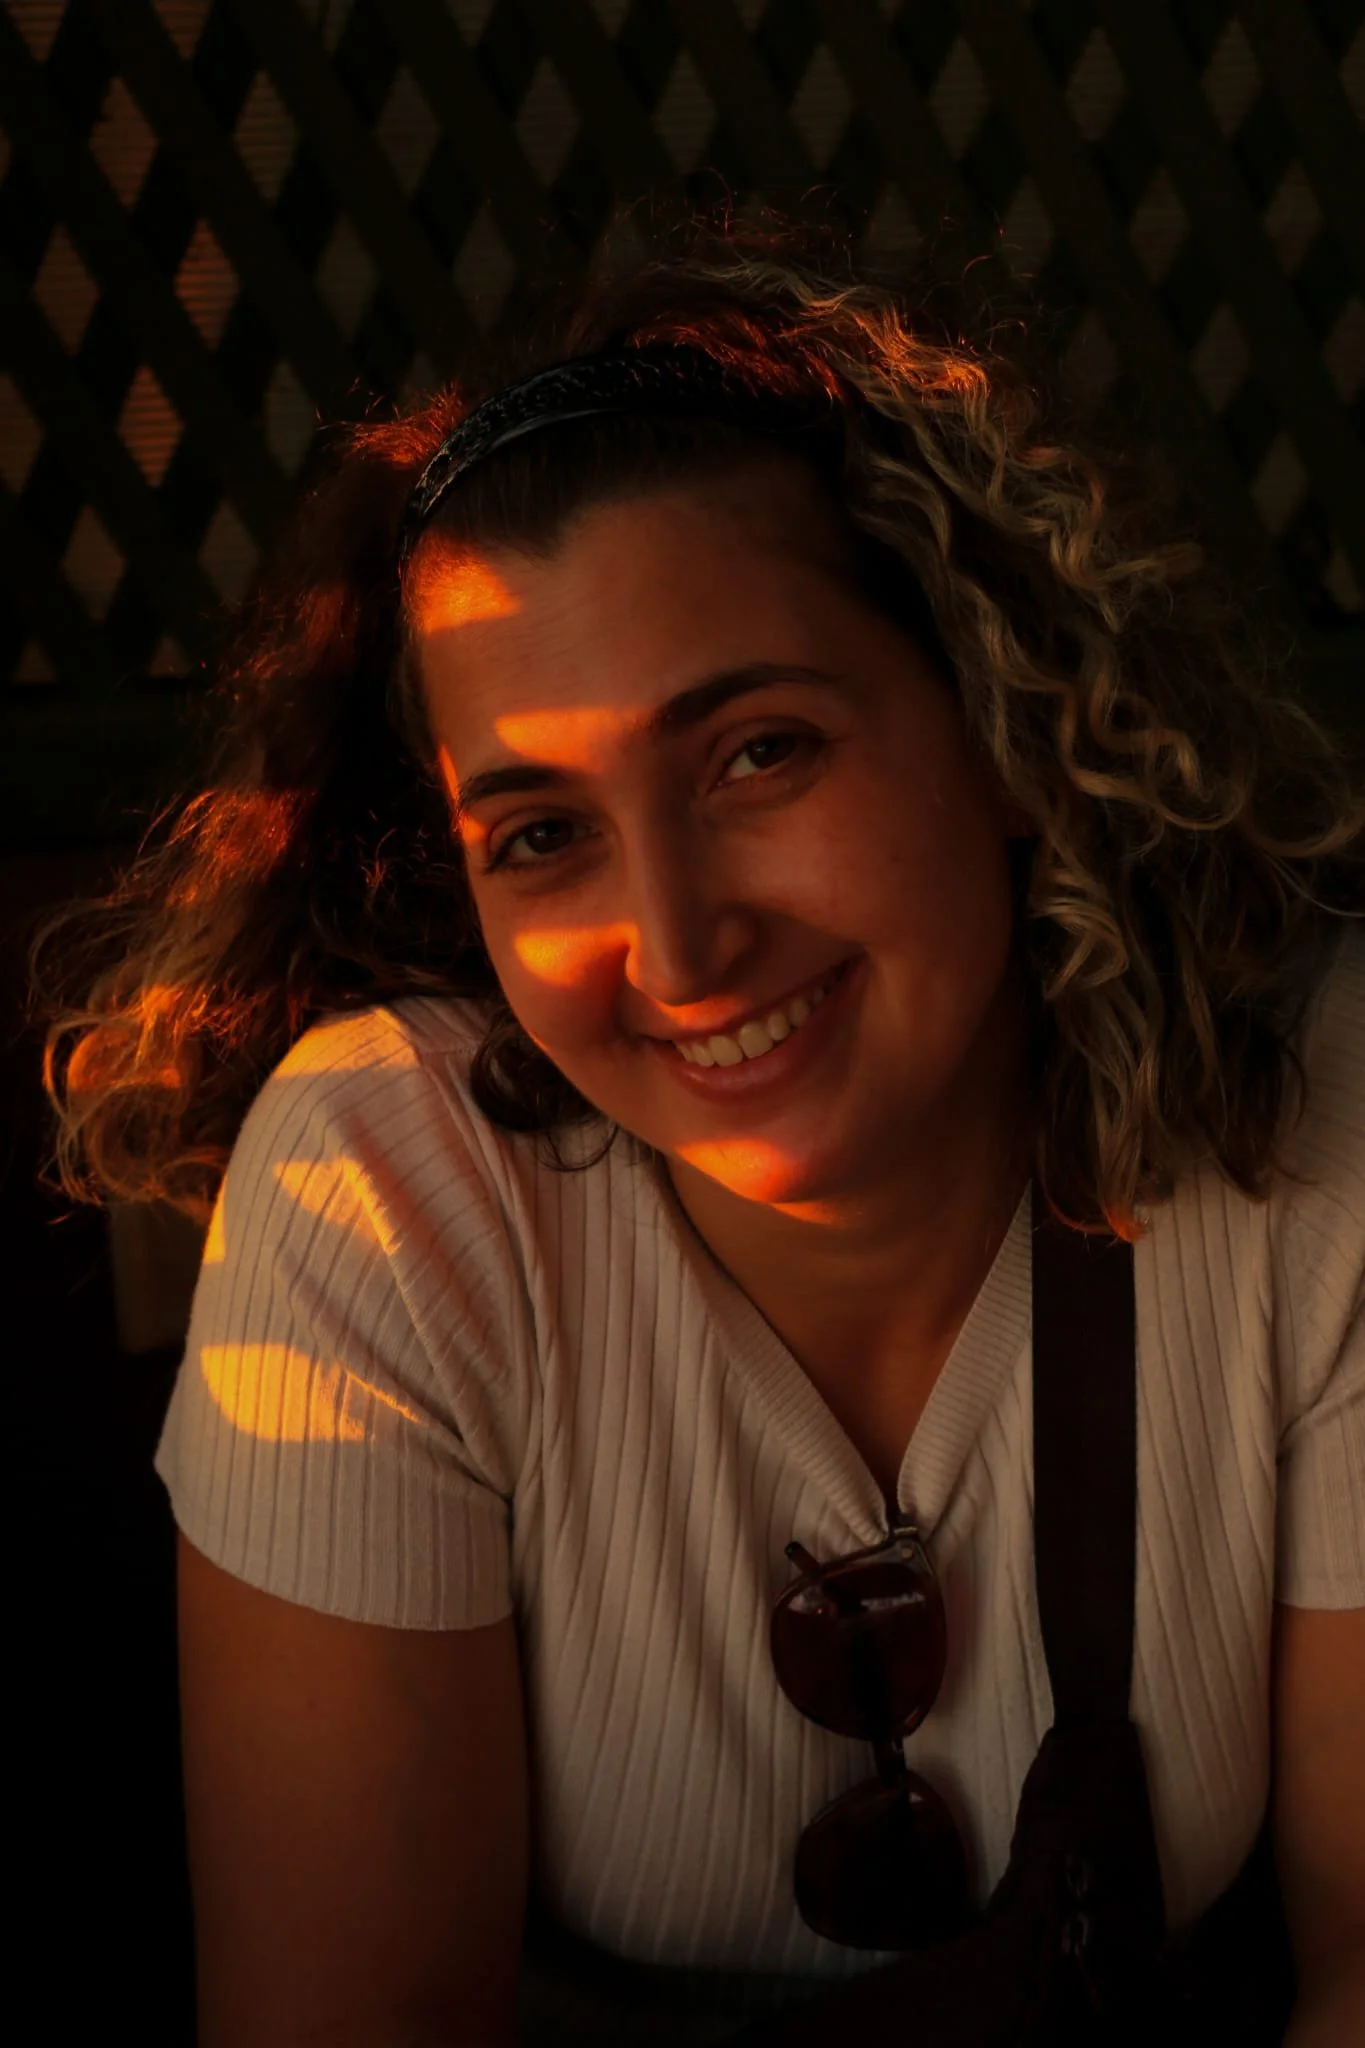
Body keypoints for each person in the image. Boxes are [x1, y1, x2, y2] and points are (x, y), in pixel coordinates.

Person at [41, 215, 1364, 2047]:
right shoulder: (386, 1190)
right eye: (541, 832)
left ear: (1003, 722)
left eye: (759, 754)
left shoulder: (1318, 1109)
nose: (674, 947)